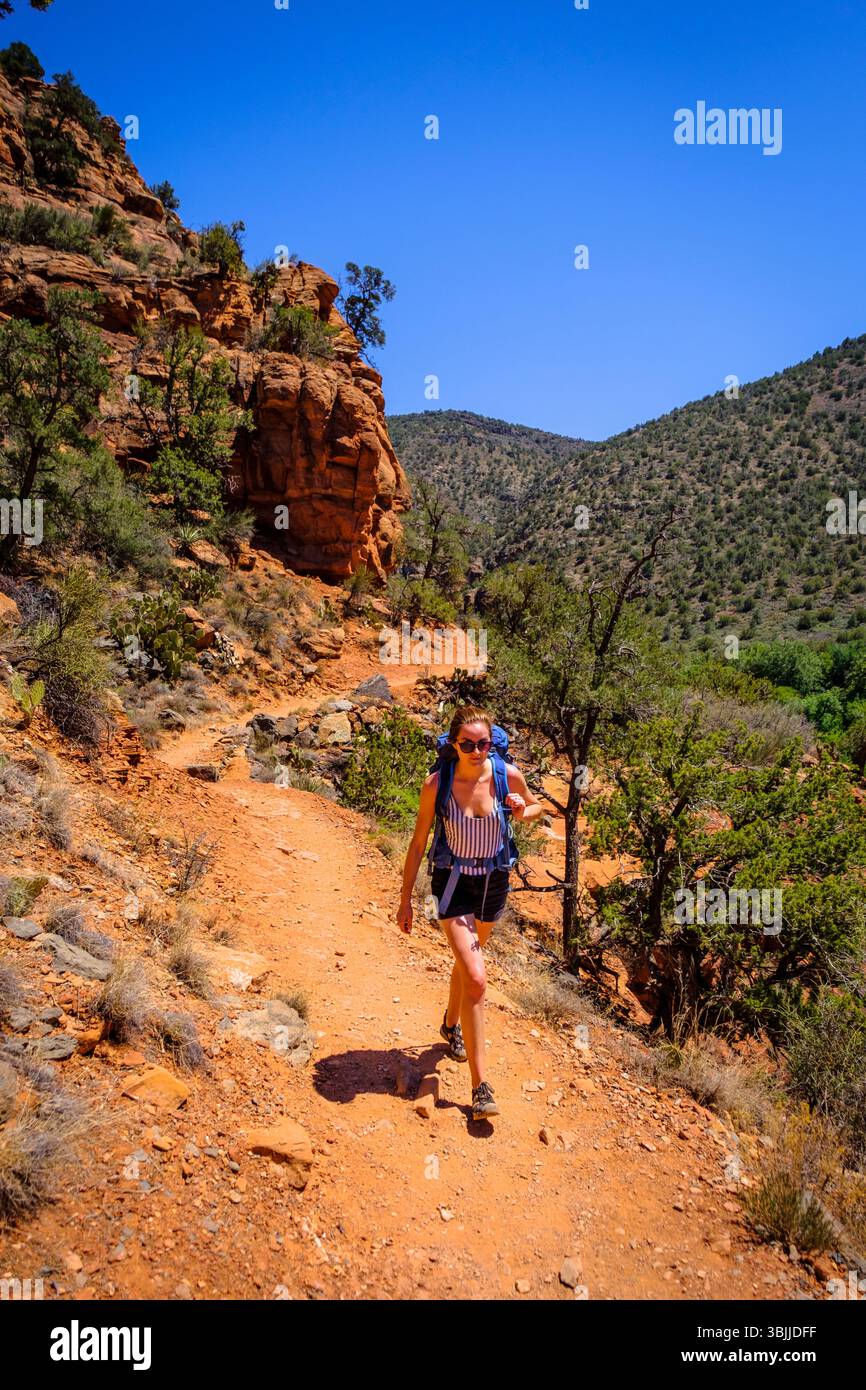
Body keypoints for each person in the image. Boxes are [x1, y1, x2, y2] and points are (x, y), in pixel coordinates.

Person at [397, 705, 544, 1121]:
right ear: (453, 744)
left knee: (468, 965)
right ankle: (481, 1088)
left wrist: (521, 809)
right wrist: (406, 897)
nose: (477, 752)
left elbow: (537, 808)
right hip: (454, 883)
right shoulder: (437, 784)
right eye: (467, 744)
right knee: (478, 978)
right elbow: (417, 843)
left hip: (494, 882)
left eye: (483, 743)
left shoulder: (505, 775)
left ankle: (449, 1024)